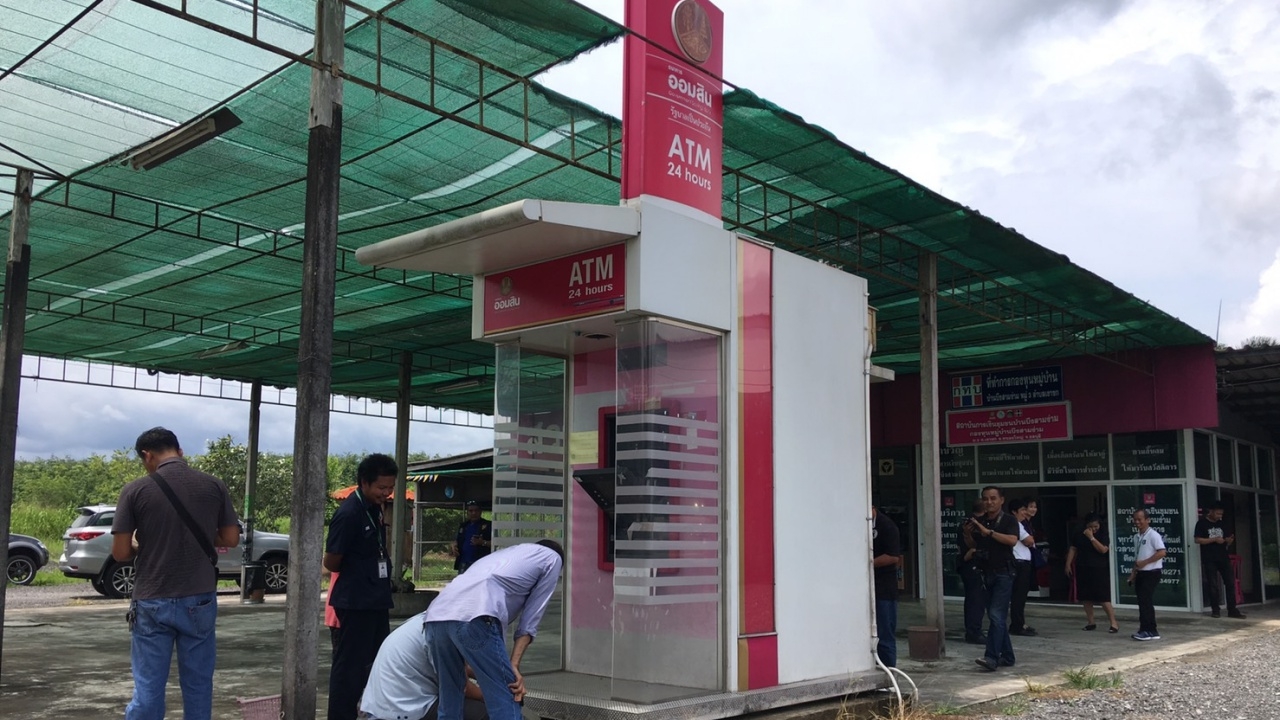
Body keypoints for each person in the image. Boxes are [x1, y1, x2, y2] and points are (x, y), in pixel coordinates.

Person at [110, 427, 241, 720]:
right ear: (180, 452)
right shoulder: (214, 485)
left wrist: (140, 544)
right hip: (200, 599)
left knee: (148, 686)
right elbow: (231, 538)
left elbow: (120, 553)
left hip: (152, 598)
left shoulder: (135, 490)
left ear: (147, 456)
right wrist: (202, 535)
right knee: (198, 684)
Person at [426, 540, 564, 720]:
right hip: (476, 614)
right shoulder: (553, 558)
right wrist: (513, 665)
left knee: (450, 700)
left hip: (436, 616)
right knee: (505, 696)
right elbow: (530, 619)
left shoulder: (508, 553)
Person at [325, 453, 400, 720]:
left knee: (380, 662)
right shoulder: (349, 514)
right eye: (381, 487)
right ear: (364, 483)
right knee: (350, 669)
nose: (386, 493)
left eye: (390, 487)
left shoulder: (374, 508)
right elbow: (331, 561)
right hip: (355, 601)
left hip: (375, 599)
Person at [359, 611, 490, 720]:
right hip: (403, 708)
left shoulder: (432, 618)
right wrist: (495, 694)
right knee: (485, 712)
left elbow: (463, 667)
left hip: (384, 705)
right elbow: (462, 686)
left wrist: (492, 677)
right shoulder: (444, 630)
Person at [969, 485, 1020, 672]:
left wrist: (989, 532)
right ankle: (1008, 656)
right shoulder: (981, 521)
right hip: (986, 572)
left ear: (1001, 500)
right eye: (985, 499)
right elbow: (974, 544)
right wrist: (968, 532)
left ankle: (991, 657)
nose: (989, 502)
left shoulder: (1009, 520)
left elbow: (1012, 540)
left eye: (993, 498)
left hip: (1004, 573)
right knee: (995, 616)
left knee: (996, 615)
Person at [1064, 513, 1118, 633]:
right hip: (1083, 566)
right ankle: (1091, 622)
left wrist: (1091, 537)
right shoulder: (1079, 532)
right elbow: (1073, 548)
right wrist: (1068, 563)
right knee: (1085, 596)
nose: (1093, 529)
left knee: (1103, 597)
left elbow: (1103, 550)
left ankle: (1113, 623)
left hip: (1098, 567)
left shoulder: (1103, 534)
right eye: (1090, 527)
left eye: (1095, 526)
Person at [1194, 502, 1246, 619]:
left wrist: (1229, 540)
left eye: (1221, 514)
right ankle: (1215, 609)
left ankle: (1232, 610)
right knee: (1213, 584)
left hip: (1223, 557)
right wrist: (1214, 540)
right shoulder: (1202, 523)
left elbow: (1227, 538)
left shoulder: (1222, 524)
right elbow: (1197, 540)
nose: (1219, 516)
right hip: (1209, 558)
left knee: (1230, 583)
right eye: (1217, 513)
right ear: (1211, 511)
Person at [870, 505, 902, 667]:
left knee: (885, 634)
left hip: (884, 589)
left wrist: (868, 563)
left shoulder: (887, 526)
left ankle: (889, 672)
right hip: (866, 588)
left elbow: (893, 556)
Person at [1128, 508, 1167, 641]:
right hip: (1141, 572)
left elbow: (1162, 552)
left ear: (1147, 520)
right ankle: (1149, 629)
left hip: (1152, 572)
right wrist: (1133, 573)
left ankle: (1148, 629)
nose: (1137, 522)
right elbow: (1137, 557)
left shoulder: (1153, 535)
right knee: (1142, 601)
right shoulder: (1136, 537)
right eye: (1135, 520)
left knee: (1145, 601)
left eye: (1140, 519)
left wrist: (1145, 562)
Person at [957, 499, 987, 644]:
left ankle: (974, 630)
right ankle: (974, 631)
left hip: (970, 563)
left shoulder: (968, 522)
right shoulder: (974, 524)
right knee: (975, 599)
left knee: (975, 599)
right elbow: (974, 546)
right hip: (972, 564)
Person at [1007, 497, 1038, 637]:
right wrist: (1030, 541)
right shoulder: (1015, 524)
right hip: (1019, 563)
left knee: (1020, 596)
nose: (1025, 512)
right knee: (1018, 597)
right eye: (1023, 510)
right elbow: (1029, 540)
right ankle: (1017, 625)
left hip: (1023, 563)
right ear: (1014, 512)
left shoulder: (1020, 524)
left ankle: (1020, 623)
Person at [453, 501, 492, 574]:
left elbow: (496, 544)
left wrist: (483, 542)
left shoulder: (488, 525)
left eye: (476, 510)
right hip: (464, 562)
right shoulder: (463, 526)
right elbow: (456, 540)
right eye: (471, 511)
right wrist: (453, 546)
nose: (474, 513)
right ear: (467, 512)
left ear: (480, 512)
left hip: (481, 563)